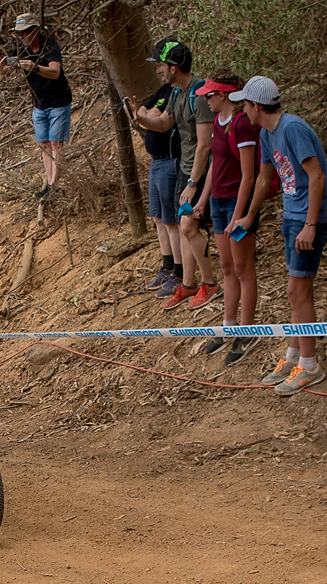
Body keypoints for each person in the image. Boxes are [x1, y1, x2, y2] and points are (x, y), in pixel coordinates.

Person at [230, 76, 327, 395]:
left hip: (309, 219)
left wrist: (311, 225)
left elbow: (316, 176)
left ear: (257, 106)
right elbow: (264, 180)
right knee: (296, 291)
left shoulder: (292, 128)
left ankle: (310, 365)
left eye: (245, 104)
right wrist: (249, 215)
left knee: (297, 291)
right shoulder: (266, 135)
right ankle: (293, 357)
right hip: (292, 215)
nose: (243, 110)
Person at [136, 40, 217, 310]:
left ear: (174, 66)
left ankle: (210, 283)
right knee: (184, 229)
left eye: (161, 65)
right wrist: (141, 119)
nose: (159, 70)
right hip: (184, 170)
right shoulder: (175, 92)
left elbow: (205, 145)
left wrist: (194, 183)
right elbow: (164, 122)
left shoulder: (200, 95)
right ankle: (189, 284)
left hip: (198, 173)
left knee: (187, 227)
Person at [195, 71, 262, 365]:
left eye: (209, 95)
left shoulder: (242, 125)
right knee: (227, 267)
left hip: (237, 203)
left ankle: (246, 331)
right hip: (219, 202)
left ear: (223, 96)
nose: (206, 100)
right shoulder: (217, 125)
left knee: (243, 268)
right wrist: (202, 200)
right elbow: (214, 165)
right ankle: (229, 324)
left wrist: (240, 215)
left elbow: (249, 175)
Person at [124, 66, 184, 298]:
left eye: (161, 64)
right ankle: (167, 266)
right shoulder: (163, 90)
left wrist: (145, 117)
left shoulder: (177, 93)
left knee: (171, 220)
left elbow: (159, 119)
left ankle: (179, 272)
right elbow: (142, 109)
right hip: (156, 161)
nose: (158, 69)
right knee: (158, 217)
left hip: (171, 160)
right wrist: (144, 115)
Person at [0, 13, 72, 199]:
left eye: (24, 33)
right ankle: (49, 184)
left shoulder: (50, 46)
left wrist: (35, 67)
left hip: (58, 102)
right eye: (19, 34)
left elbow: (55, 72)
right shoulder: (20, 50)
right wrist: (3, 69)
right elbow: (7, 71)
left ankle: (54, 185)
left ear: (35, 30)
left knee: (56, 144)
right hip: (39, 104)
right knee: (45, 145)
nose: (21, 37)